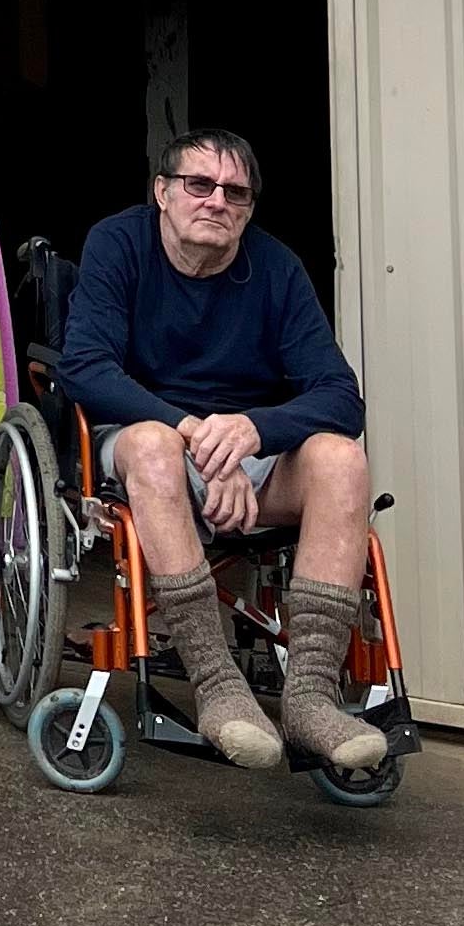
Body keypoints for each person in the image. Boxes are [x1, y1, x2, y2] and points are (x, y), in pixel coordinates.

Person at [56, 131, 387, 775]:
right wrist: (194, 433)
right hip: (149, 439)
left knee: (342, 459)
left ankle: (312, 700)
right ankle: (217, 687)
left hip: (248, 456)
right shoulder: (118, 244)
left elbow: (342, 397)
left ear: (250, 208)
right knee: (153, 446)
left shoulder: (277, 269)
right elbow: (86, 368)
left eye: (235, 192)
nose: (216, 202)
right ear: (161, 192)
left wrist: (252, 431)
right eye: (198, 185)